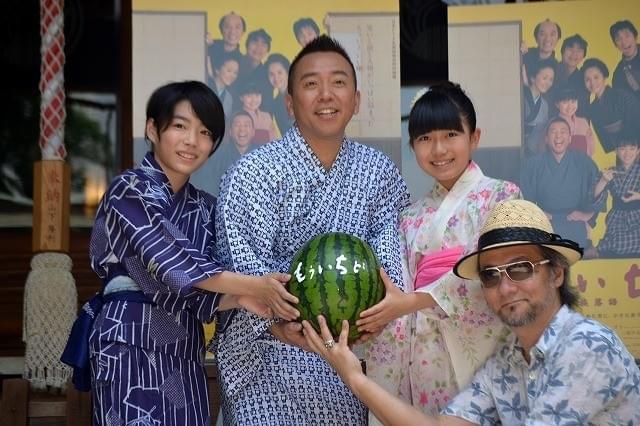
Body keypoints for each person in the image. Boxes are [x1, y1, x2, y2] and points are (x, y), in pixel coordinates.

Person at [61, 81, 299, 425]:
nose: (192, 141)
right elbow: (170, 261)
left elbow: (201, 293)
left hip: (184, 351)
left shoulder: (204, 209)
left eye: (205, 132)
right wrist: (253, 286)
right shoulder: (128, 188)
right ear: (152, 129)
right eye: (180, 126)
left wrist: (242, 300)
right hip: (130, 339)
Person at [211, 35, 409, 425]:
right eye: (310, 84)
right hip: (267, 364)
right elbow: (243, 274)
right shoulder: (253, 173)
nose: (326, 95)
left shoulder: (380, 173)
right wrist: (281, 324)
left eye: (338, 82)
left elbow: (390, 265)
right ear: (289, 103)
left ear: (356, 99)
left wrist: (377, 315)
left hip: (350, 368)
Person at [302, 199, 640, 425]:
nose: (505, 288)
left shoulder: (586, 346)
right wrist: (354, 377)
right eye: (490, 276)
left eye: (521, 269)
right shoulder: (507, 363)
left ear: (556, 273)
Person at [361, 82, 521, 420]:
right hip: (423, 358)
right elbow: (397, 293)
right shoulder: (408, 218)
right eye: (424, 139)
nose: (438, 149)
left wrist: (413, 301)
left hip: (481, 351)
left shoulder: (502, 198)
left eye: (451, 134)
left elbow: (494, 275)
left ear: (474, 137)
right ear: (412, 146)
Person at [520, 116, 602, 250]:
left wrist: (588, 215)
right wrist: (539, 214)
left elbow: (599, 187)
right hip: (545, 224)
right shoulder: (533, 164)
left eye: (563, 132)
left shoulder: (582, 161)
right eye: (553, 132)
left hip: (575, 224)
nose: (558, 136)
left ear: (570, 138)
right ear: (546, 138)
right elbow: (523, 198)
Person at [590, 135, 640, 258]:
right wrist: (603, 181)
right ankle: (606, 246)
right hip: (618, 217)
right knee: (618, 243)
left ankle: (603, 247)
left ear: (638, 150)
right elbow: (595, 198)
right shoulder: (610, 171)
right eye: (623, 148)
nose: (627, 153)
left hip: (637, 217)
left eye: (632, 148)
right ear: (616, 151)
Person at [191, 110, 257, 196]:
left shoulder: (262, 155)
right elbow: (206, 186)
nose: (242, 129)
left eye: (246, 125)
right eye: (237, 125)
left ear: (253, 132)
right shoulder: (217, 156)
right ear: (230, 132)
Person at [583, 57, 640, 153]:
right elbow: (606, 139)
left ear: (604, 76)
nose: (592, 83)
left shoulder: (622, 95)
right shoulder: (592, 108)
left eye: (596, 77)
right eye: (587, 79)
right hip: (621, 152)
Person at [523, 58, 556, 157]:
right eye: (544, 78)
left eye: (551, 80)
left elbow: (541, 134)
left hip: (532, 153)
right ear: (533, 77)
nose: (548, 83)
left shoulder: (544, 105)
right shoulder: (520, 97)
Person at [553, 34, 590, 117]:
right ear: (562, 51)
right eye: (570, 49)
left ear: (583, 56)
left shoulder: (583, 79)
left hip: (575, 127)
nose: (574, 53)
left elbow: (584, 110)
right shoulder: (550, 71)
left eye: (579, 50)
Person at [235, 29, 272, 103]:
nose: (258, 48)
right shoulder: (234, 61)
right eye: (255, 43)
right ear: (246, 45)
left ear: (267, 50)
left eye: (263, 45)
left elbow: (267, 102)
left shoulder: (266, 74)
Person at [554, 87, 594, 156]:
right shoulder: (553, 123)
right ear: (557, 104)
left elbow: (590, 145)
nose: (570, 106)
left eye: (573, 101)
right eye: (565, 102)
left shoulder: (583, 122)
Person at [522, 19, 561, 86]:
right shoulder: (525, 54)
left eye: (552, 34)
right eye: (543, 34)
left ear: (558, 39)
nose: (547, 39)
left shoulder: (558, 68)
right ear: (536, 38)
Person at [206, 12, 244, 80]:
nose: (232, 31)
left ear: (243, 32)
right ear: (221, 30)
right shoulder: (209, 45)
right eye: (227, 27)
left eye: (237, 27)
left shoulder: (243, 61)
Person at [264, 53, 294, 136]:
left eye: (280, 73)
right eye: (271, 74)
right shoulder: (275, 103)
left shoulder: (300, 93)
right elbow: (284, 132)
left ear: (287, 72)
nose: (276, 78)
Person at [610, 20, 640, 101]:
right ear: (616, 45)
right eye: (618, 39)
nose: (624, 42)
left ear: (635, 36)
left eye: (627, 35)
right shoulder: (619, 75)